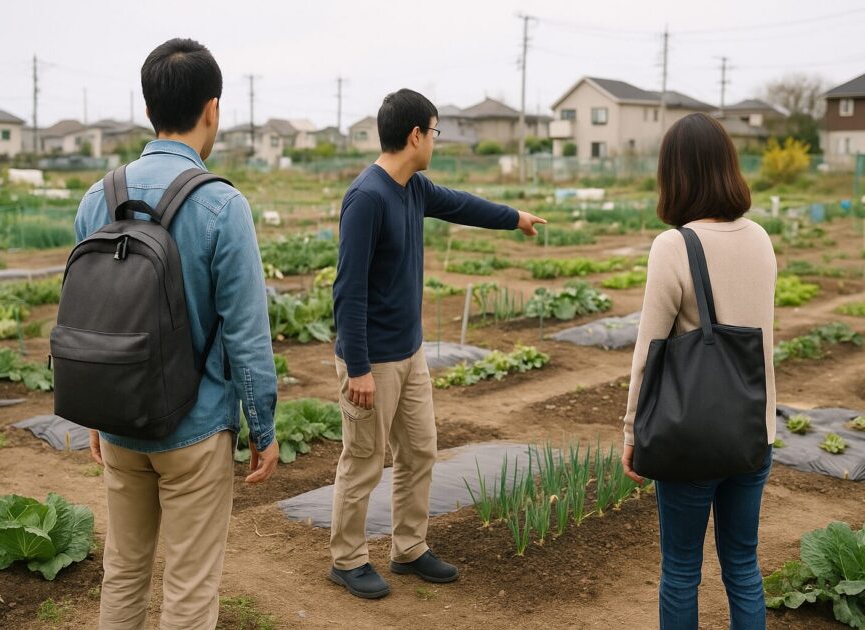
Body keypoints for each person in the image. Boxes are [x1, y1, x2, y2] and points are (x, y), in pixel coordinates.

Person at [75, 38, 279, 629]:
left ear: (148, 110)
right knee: (189, 587)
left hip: (118, 423)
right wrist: (263, 429)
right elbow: (247, 334)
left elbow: (93, 316)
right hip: (194, 429)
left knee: (125, 571)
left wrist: (98, 410)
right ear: (212, 108)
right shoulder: (221, 204)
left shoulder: (98, 197)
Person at [328, 88, 546, 599]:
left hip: (410, 352)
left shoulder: (414, 188)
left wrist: (514, 217)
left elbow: (462, 205)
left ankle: (409, 548)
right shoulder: (367, 197)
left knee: (420, 451)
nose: (435, 141)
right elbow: (347, 289)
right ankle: (347, 559)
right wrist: (357, 367)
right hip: (372, 362)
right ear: (415, 136)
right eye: (435, 131)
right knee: (363, 461)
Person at [620, 113, 777, 630]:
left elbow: (649, 349)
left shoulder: (674, 246)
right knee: (744, 569)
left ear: (676, 174)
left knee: (683, 571)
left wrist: (631, 432)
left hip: (691, 437)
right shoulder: (760, 238)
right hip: (754, 432)